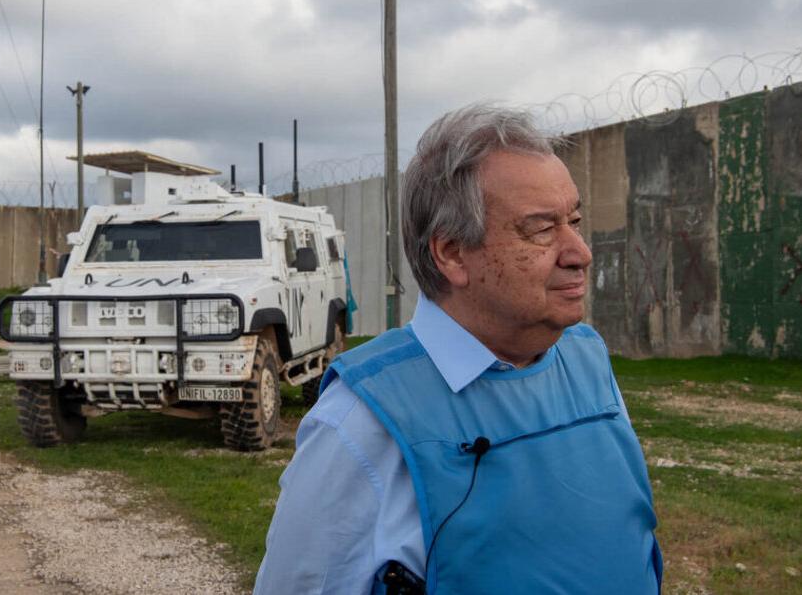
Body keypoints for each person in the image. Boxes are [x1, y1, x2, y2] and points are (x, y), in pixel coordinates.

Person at [254, 104, 661, 595]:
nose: (580, 253)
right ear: (450, 254)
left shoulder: (587, 360)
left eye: (573, 220)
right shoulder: (360, 425)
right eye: (541, 229)